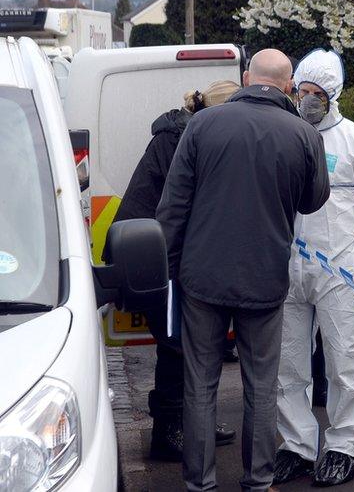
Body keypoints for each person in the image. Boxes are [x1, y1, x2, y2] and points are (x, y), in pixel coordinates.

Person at [156, 48, 330, 492]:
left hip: (202, 277)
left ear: (247, 76)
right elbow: (313, 200)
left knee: (200, 384)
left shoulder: (202, 125)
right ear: (288, 86)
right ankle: (257, 481)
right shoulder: (304, 134)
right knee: (261, 385)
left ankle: (200, 482)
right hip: (265, 277)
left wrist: (168, 271)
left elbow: (172, 207)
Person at [272, 49, 354, 487]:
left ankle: (344, 446)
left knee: (344, 361)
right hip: (289, 266)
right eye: (301, 91)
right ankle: (297, 445)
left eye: (316, 93)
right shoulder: (284, 135)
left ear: (333, 95)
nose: (307, 99)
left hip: (341, 267)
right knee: (288, 364)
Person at [110, 80, 239, 462]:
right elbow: (186, 208)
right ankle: (167, 433)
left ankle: (192, 422)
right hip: (155, 262)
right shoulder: (180, 140)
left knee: (193, 345)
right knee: (176, 347)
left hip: (161, 256)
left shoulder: (185, 134)